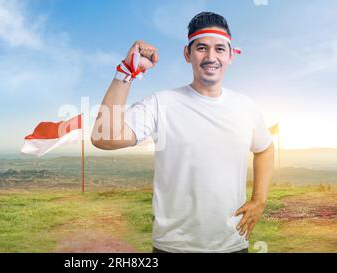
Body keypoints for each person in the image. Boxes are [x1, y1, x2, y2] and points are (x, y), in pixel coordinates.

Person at [91, 12, 274, 253]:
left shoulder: (246, 107)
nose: (211, 57)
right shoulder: (162, 103)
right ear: (187, 54)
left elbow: (265, 148)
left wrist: (259, 201)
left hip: (232, 244)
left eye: (220, 49)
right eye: (201, 48)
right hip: (173, 247)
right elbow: (104, 138)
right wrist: (126, 71)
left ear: (231, 56)